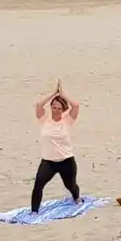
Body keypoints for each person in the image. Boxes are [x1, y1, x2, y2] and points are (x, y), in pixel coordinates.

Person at [30, 80, 82, 213]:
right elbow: (39, 104)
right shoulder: (44, 119)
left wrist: (63, 95)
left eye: (59, 108)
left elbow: (75, 105)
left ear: (63, 109)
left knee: (70, 185)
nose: (56, 110)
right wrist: (53, 93)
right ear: (51, 107)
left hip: (66, 160)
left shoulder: (67, 120)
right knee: (38, 185)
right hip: (48, 162)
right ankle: (34, 211)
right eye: (54, 107)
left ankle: (77, 198)